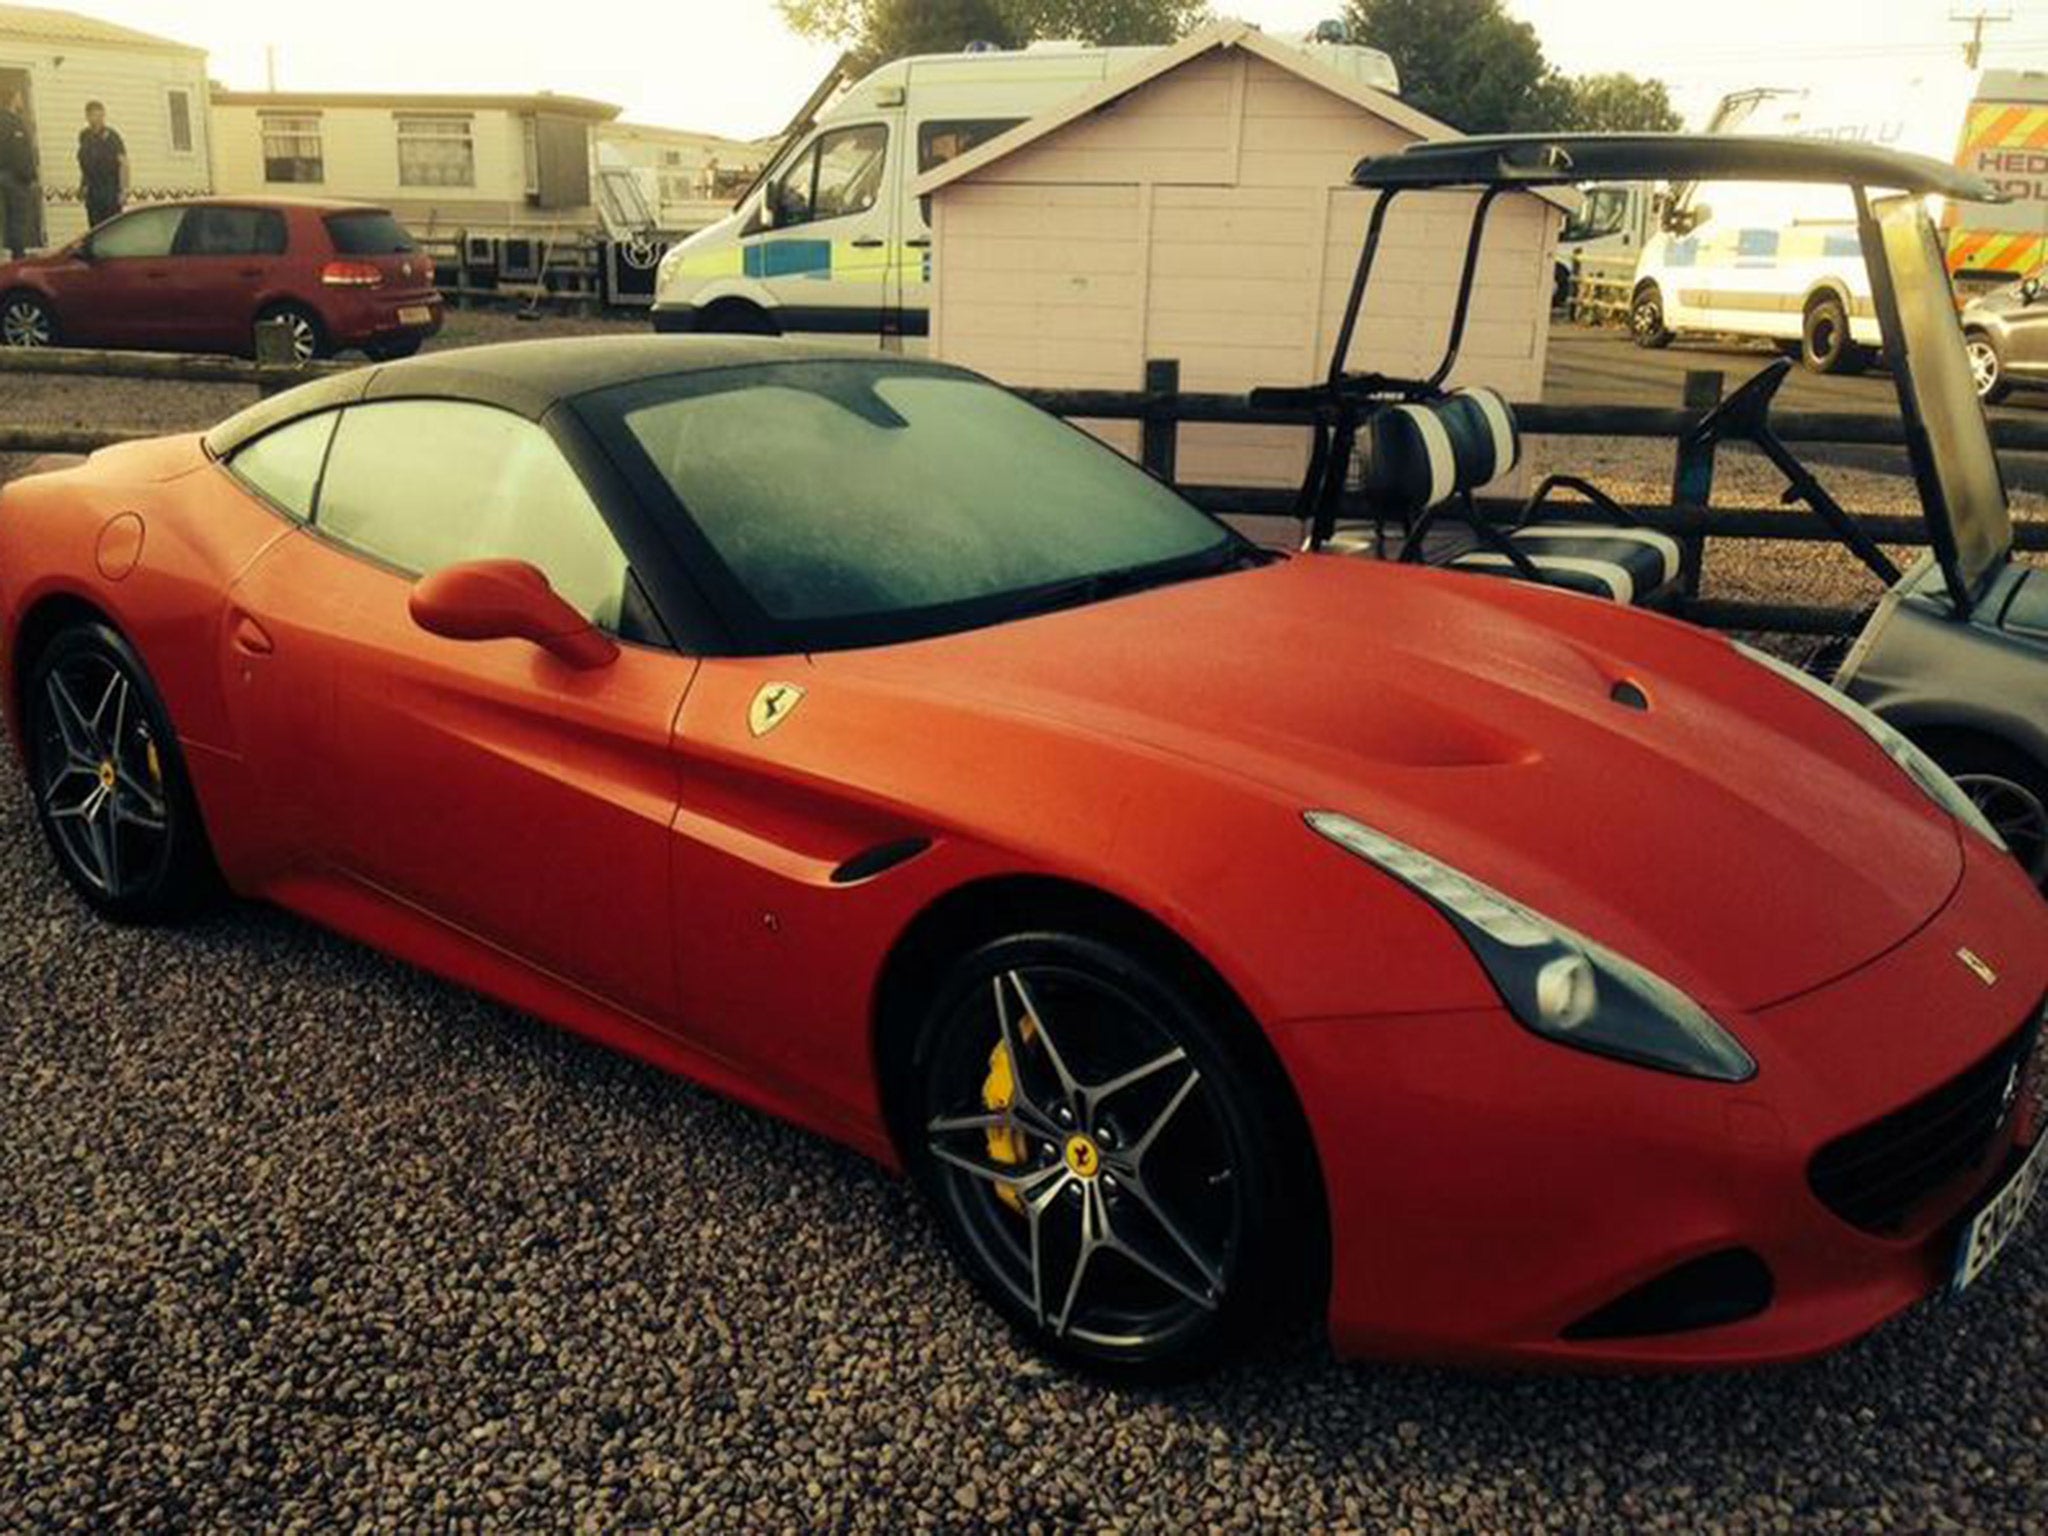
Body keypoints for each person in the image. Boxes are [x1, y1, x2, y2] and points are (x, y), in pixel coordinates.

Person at [76, 100, 126, 229]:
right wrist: (82, 186)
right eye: (93, 115)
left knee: (111, 229)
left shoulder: (112, 137)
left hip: (110, 191)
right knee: (95, 229)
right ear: (87, 116)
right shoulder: (84, 136)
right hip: (93, 192)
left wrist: (122, 191)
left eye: (100, 116)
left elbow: (124, 164)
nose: (97, 119)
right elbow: (85, 165)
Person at [0, 89, 37, 260]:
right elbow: (20, 153)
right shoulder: (13, 122)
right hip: (14, 178)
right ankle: (18, 256)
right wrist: (30, 176)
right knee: (18, 219)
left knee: (6, 218)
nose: (22, 99)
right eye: (20, 96)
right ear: (13, 98)